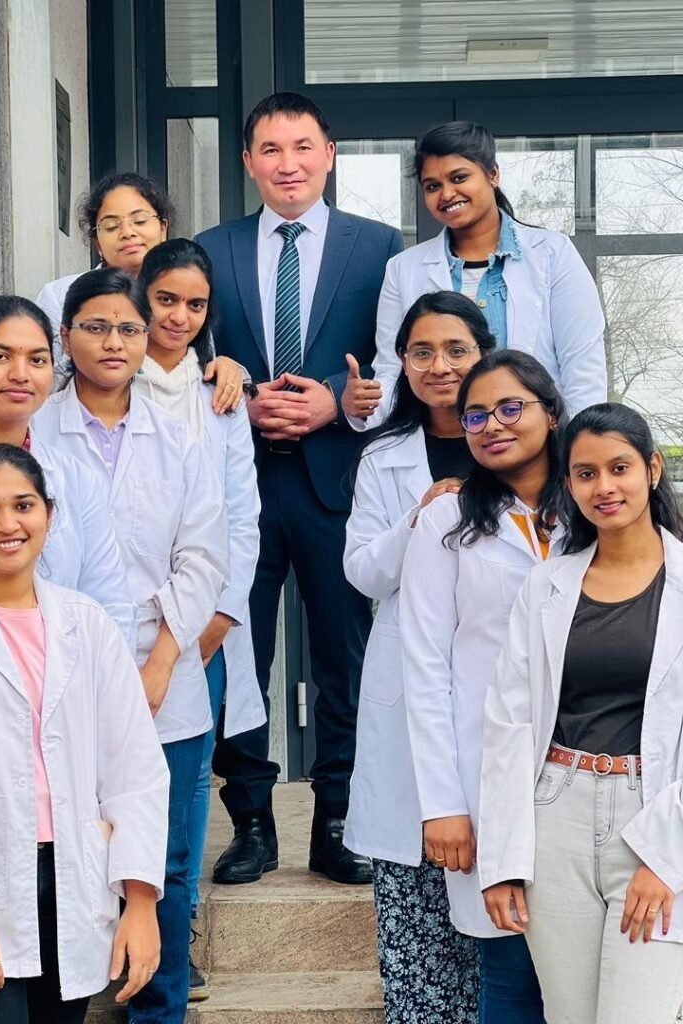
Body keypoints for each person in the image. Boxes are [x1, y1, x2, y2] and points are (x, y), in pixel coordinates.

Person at [196, 91, 405, 885]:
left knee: (343, 657)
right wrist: (239, 397)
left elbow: (395, 360)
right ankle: (250, 819)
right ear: (249, 161)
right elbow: (188, 352)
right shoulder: (211, 249)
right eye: (272, 149)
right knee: (236, 649)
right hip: (238, 486)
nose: (289, 164)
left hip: (336, 481)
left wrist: (334, 399)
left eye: (303, 147)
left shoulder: (379, 248)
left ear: (330, 154)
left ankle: (337, 818)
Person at [34, 268, 228, 1024]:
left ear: (147, 340)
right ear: (66, 338)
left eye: (128, 328)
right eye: (95, 327)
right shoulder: (37, 433)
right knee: (69, 851)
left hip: (163, 672)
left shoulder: (181, 433)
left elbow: (204, 558)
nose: (113, 342)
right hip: (59, 671)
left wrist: (159, 663)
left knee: (166, 862)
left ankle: (158, 1012)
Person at [0, 443, 169, 1024]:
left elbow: (134, 769)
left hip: (70, 885)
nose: (7, 524)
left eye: (23, 505)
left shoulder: (86, 624)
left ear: (49, 514)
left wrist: (141, 904)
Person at [479, 404, 683, 1024]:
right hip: (556, 815)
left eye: (619, 468)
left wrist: (667, 856)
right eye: (585, 473)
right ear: (569, 485)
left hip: (655, 812)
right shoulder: (545, 586)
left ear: (652, 470)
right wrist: (503, 860)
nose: (604, 486)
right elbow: (508, 726)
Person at [400, 349, 568, 1022]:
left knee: (590, 968)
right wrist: (443, 803)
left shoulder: (595, 510)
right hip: (487, 775)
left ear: (551, 414)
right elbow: (424, 665)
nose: (492, 425)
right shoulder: (446, 521)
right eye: (474, 415)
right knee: (510, 971)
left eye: (510, 407)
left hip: (591, 770)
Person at [343, 290, 496, 1023]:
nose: (440, 366)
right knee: (417, 916)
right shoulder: (383, 455)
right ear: (400, 362)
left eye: (456, 350)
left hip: (500, 691)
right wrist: (420, 515)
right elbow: (362, 573)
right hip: (409, 686)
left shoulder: (520, 447)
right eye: (422, 352)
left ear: (485, 353)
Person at [137, 237, 265, 1001]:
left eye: (195, 305)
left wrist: (220, 613)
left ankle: (173, 952)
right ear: (140, 296)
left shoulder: (220, 395)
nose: (179, 317)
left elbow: (241, 514)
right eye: (165, 300)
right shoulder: (105, 383)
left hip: (203, 631)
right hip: (124, 626)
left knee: (184, 808)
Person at [343, 120, 606, 428]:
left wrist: (578, 445)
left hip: (534, 442)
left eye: (459, 178)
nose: (446, 194)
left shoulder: (552, 253)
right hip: (443, 440)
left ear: (493, 174)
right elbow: (393, 372)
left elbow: (583, 369)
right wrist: (361, 407)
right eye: (432, 186)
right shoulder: (403, 269)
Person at [0, 296, 134, 644]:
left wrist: (107, 677)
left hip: (61, 672)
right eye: (0, 357)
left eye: (37, 360)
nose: (20, 375)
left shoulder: (75, 479)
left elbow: (109, 606)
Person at [35, 172, 242, 407]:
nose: (127, 232)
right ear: (97, 243)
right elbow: (43, 380)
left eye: (140, 221)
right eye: (111, 226)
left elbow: (203, 364)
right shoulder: (61, 296)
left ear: (163, 228)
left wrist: (228, 370)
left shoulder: (187, 294)